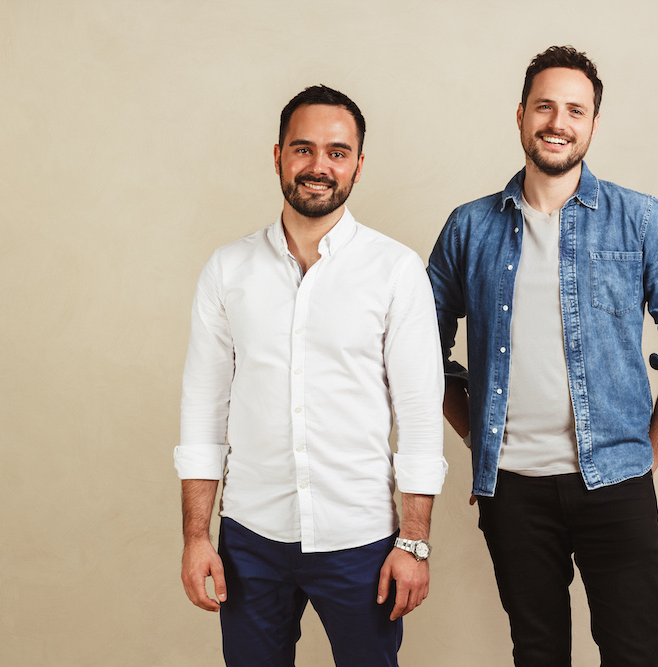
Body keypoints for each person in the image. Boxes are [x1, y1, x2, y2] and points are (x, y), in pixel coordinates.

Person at [427, 46, 658, 666]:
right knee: (537, 654)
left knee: (634, 652)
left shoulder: (642, 220)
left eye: (575, 110)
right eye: (545, 107)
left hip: (616, 483)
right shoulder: (468, 228)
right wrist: (480, 441)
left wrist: (642, 459)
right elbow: (419, 352)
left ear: (592, 124)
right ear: (521, 115)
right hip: (512, 492)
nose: (558, 122)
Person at [175, 85, 447, 667]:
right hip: (250, 538)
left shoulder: (395, 271)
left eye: (336, 152)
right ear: (278, 156)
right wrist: (196, 537)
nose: (319, 166)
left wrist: (414, 542)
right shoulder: (228, 269)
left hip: (361, 540)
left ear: (357, 165)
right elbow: (203, 412)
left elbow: (421, 416)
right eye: (303, 149)